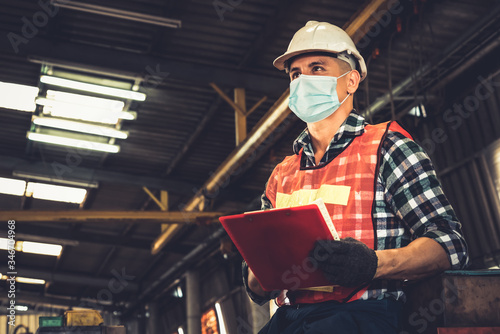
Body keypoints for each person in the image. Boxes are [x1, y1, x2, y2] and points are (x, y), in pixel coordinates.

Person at [242, 21, 469, 333]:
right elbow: (257, 285)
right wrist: (260, 270)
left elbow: (450, 244)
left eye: (317, 67)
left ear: (350, 81)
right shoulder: (283, 174)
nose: (303, 80)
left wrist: (373, 264)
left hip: (366, 315)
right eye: (295, 73)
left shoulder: (388, 147)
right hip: (292, 318)